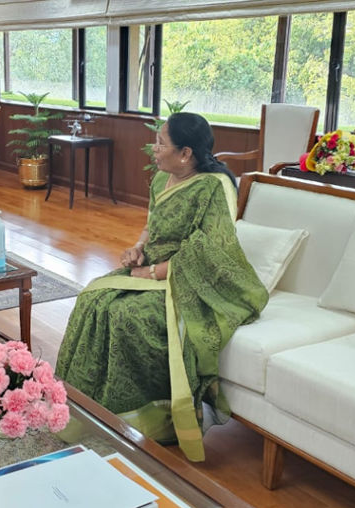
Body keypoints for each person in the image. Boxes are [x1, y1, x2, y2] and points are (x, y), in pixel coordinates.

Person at [55, 113, 268, 462]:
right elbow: (151, 225)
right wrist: (137, 248)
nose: (153, 149)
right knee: (92, 299)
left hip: (192, 280)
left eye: (161, 144)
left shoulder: (215, 187)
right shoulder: (161, 179)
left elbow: (210, 252)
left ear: (186, 153)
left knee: (126, 315)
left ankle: (146, 421)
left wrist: (153, 272)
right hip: (150, 267)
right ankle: (84, 414)